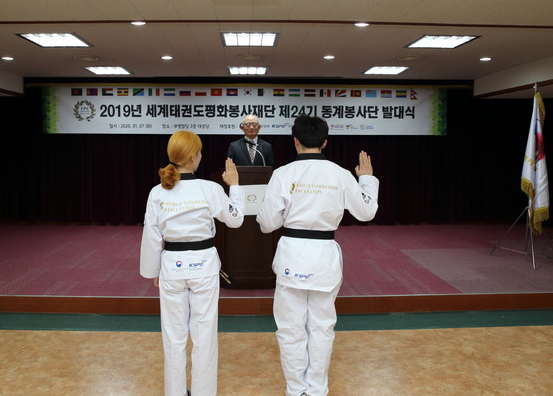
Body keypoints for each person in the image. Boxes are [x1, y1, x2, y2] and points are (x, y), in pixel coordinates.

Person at [256, 115, 379, 396]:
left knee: (290, 328)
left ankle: (295, 388)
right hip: (324, 257)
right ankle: (317, 389)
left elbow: (267, 224)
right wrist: (367, 180)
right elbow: (366, 212)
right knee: (322, 327)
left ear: (295, 141)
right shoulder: (341, 174)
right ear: (325, 143)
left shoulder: (283, 174)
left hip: (292, 255)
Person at [140, 130, 245, 396]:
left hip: (172, 266)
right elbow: (235, 219)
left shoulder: (157, 192)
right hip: (203, 266)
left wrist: (154, 270)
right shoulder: (210, 189)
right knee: (204, 334)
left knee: (173, 336)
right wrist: (234, 186)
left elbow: (151, 234)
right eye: (199, 152)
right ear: (192, 157)